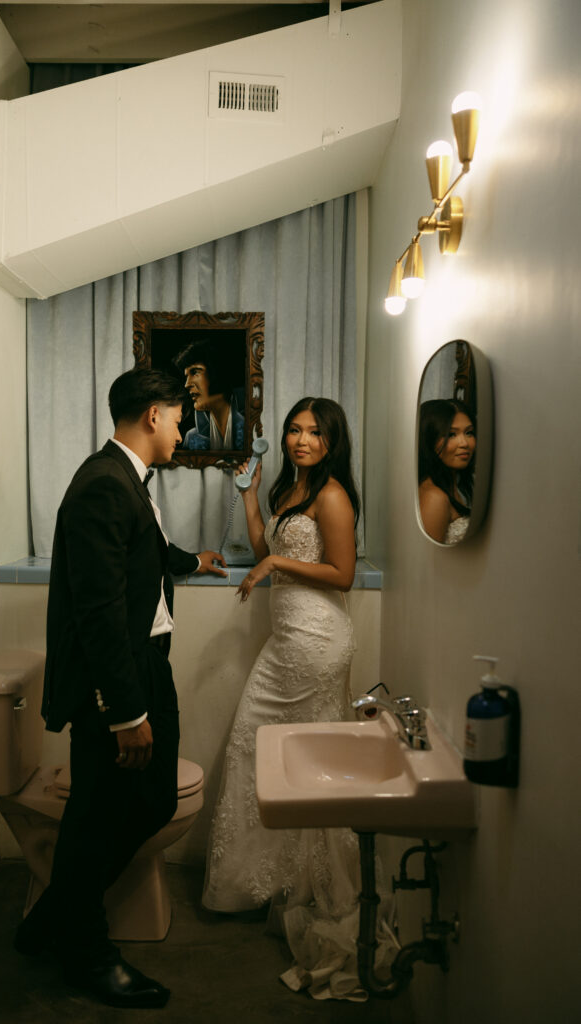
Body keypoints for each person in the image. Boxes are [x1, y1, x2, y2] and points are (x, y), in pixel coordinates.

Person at [14, 368, 227, 1009]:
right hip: (122, 685)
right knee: (100, 816)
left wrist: (192, 561)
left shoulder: (124, 480)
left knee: (151, 800)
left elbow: (146, 550)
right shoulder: (102, 488)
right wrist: (125, 711)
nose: (185, 428)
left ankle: (53, 920)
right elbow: (98, 611)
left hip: (145, 669)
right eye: (180, 416)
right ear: (154, 415)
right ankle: (85, 950)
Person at [202, 398, 397, 1000]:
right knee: (253, 750)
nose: (301, 440)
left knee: (303, 764)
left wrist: (275, 565)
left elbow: (340, 573)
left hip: (317, 642)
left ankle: (311, 887)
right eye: (294, 429)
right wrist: (250, 496)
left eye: (314, 432)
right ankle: (254, 884)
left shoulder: (333, 495)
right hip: (286, 641)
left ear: (333, 440)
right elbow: (266, 556)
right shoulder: (295, 489)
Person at [418, 398, 476, 545]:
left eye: (469, 433)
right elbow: (429, 564)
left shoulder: (457, 486)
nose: (464, 443)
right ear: (428, 440)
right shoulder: (434, 497)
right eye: (451, 435)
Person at [173, 338, 244, 449]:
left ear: (218, 371)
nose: (187, 384)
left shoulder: (251, 431)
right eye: (186, 376)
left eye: (195, 372)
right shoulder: (192, 438)